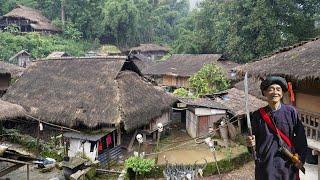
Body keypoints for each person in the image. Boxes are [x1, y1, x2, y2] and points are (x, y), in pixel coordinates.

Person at [247, 76, 308, 180]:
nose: (275, 92)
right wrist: (250, 144)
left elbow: (301, 137)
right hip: (266, 164)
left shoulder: (291, 112)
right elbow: (253, 142)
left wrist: (300, 157)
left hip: (288, 163)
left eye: (278, 89)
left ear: (282, 93)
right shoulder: (258, 115)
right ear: (265, 93)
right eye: (271, 89)